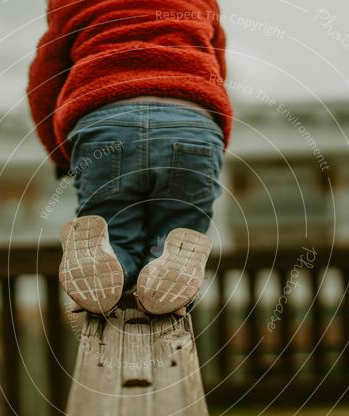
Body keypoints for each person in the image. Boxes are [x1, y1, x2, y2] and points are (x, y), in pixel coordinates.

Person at [28, 0, 232, 315]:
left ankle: (104, 254)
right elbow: (216, 65)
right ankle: (170, 274)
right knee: (174, 235)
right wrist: (211, 142)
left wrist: (60, 155)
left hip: (105, 122)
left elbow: (43, 81)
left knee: (116, 236)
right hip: (192, 122)